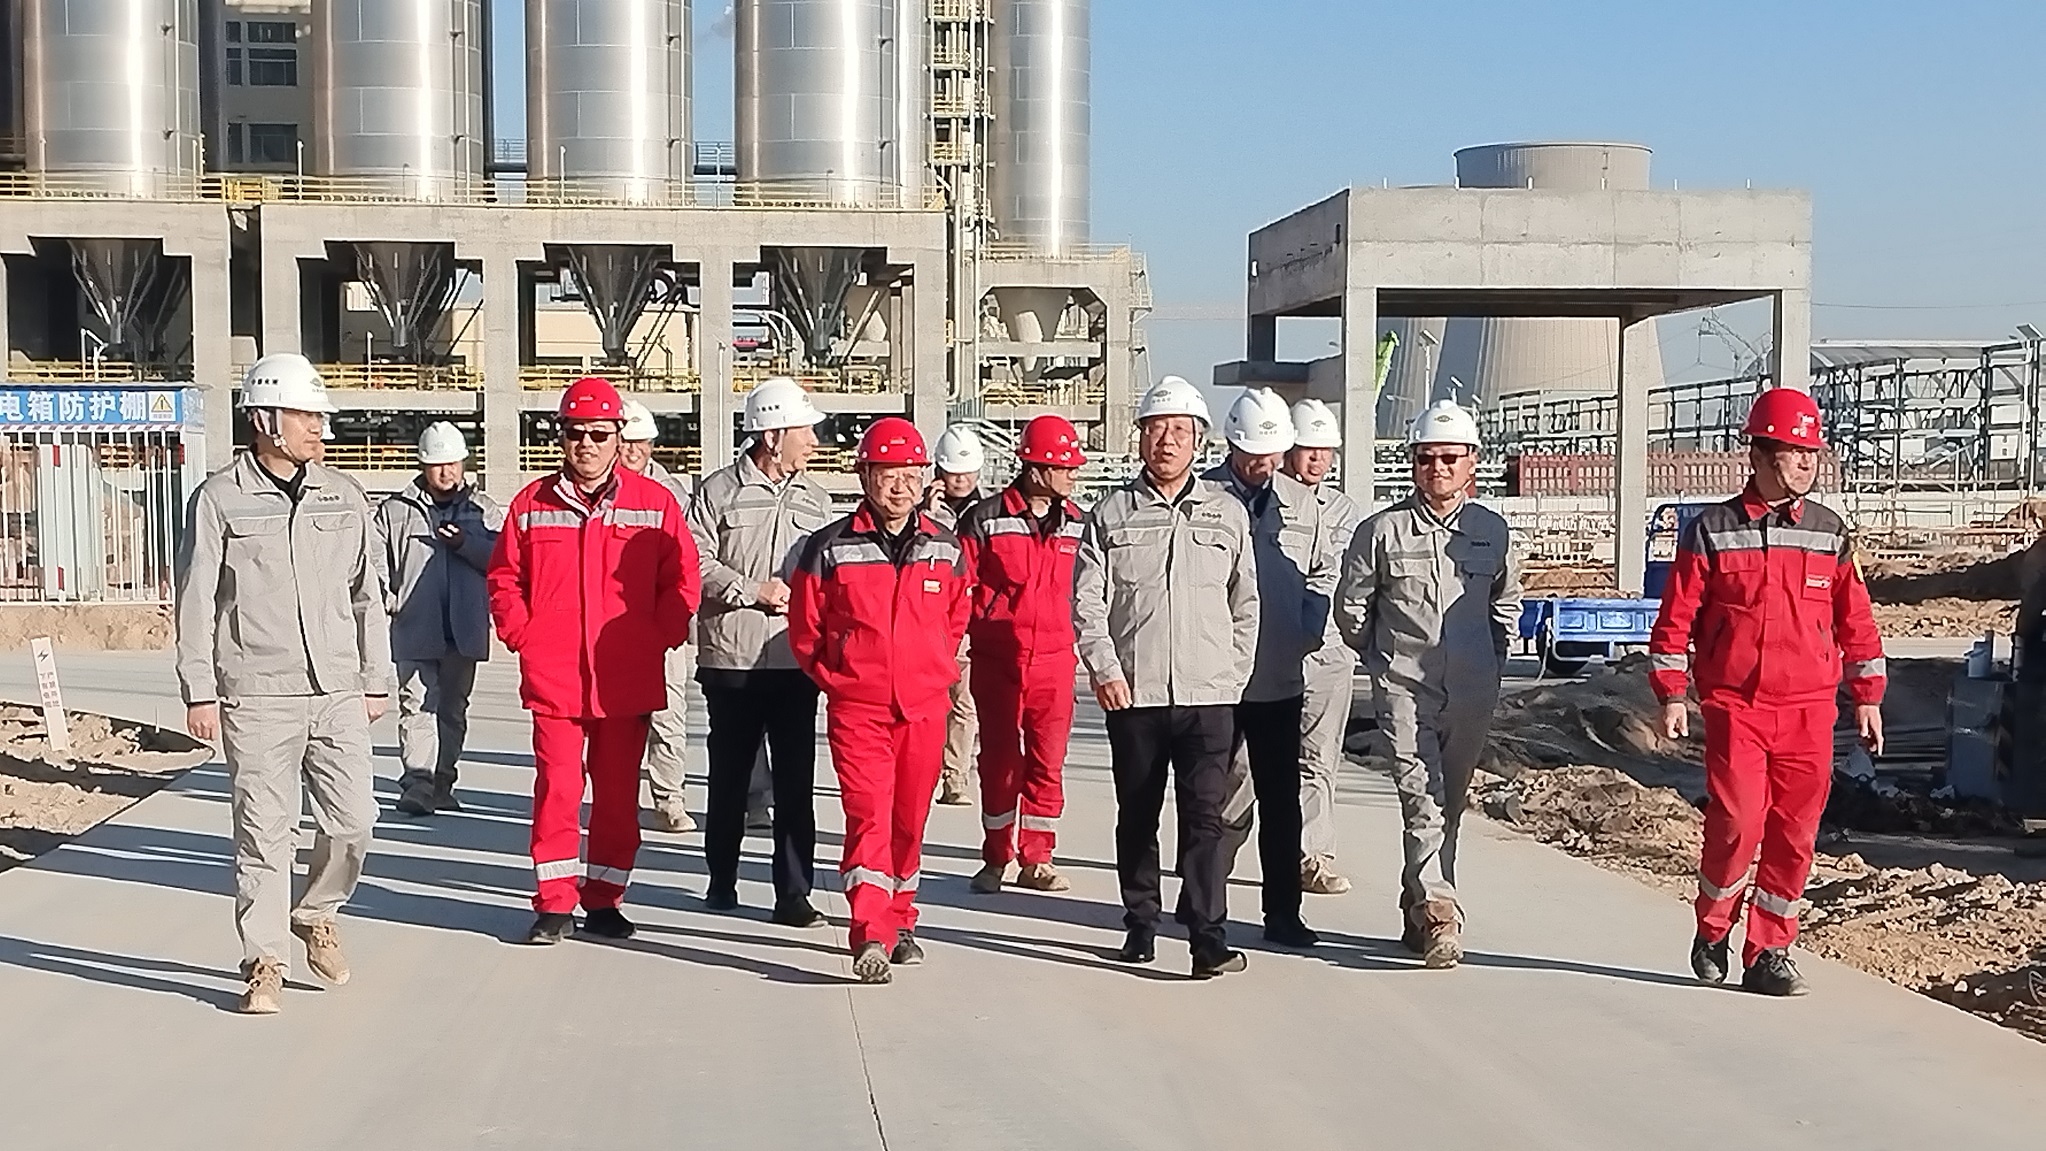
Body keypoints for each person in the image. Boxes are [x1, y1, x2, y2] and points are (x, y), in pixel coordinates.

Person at [1650, 388, 1885, 996]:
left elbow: (1856, 620)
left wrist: (1867, 695)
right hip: (1737, 706)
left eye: (1812, 452)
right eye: (1793, 450)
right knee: (1737, 822)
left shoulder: (1829, 532)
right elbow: (1676, 619)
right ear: (1758, 454)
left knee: (1795, 832)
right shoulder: (1711, 530)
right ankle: (1713, 928)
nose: (1807, 462)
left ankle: (1770, 951)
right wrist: (1672, 691)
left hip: (1810, 709)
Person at [175, 353, 389, 1014]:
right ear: (266, 420)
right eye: (305, 415)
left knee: (355, 820)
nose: (319, 427)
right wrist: (199, 689)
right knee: (264, 834)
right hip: (258, 692)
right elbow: (196, 600)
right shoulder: (220, 499)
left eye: (319, 416)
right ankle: (264, 960)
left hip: (336, 689)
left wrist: (375, 678)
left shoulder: (344, 495)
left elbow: (368, 597)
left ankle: (316, 911)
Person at [487, 376, 700, 945]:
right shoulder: (531, 505)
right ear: (561, 437)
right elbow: (505, 579)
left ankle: (605, 898)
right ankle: (554, 902)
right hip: (555, 678)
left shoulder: (654, 504)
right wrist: (522, 635)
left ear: (618, 437)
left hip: (626, 679)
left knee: (617, 798)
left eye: (599, 434)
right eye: (575, 433)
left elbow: (682, 579)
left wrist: (660, 636)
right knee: (557, 790)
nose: (586, 445)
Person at [1074, 375, 1260, 979]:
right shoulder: (1111, 514)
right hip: (1135, 695)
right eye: (1157, 429)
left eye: (1180, 430)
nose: (1168, 440)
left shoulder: (1226, 513)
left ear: (1199, 440)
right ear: (1140, 438)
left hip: (1209, 697)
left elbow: (1245, 603)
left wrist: (1231, 676)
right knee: (1138, 813)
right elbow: (1087, 603)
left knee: (1206, 818)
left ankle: (1207, 938)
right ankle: (1141, 924)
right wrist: (1105, 669)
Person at [1335, 399, 1522, 969]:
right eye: (1425, 458)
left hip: (1471, 691)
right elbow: (1352, 610)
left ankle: (1417, 905)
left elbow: (1505, 604)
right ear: (1412, 462)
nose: (1436, 468)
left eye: (1448, 458)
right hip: (1404, 687)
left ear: (1472, 462)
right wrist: (1383, 662)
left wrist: (1489, 664)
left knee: (1451, 802)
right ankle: (1442, 911)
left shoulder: (1491, 532)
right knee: (1423, 798)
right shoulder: (1381, 531)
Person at [788, 418, 971, 984]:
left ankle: (901, 920)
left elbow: (956, 617)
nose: (900, 486)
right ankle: (869, 931)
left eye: (910, 474)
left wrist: (934, 668)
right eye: (888, 474)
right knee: (869, 814)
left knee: (909, 820)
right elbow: (806, 628)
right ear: (864, 476)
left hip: (924, 708)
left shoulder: (946, 548)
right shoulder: (829, 547)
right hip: (859, 709)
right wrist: (840, 678)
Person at [688, 377, 835, 925]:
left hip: (794, 662)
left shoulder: (817, 501)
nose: (814, 442)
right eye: (805, 431)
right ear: (772, 435)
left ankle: (793, 894)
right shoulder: (716, 493)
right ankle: (721, 879)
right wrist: (752, 590)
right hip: (731, 659)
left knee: (796, 784)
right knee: (730, 777)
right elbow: (695, 561)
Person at [1203, 388, 1334, 950]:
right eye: (1255, 454)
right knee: (1210, 795)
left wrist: (1307, 628)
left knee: (1281, 802)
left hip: (1278, 675)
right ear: (1232, 445)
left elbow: (1324, 572)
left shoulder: (1302, 504)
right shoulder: (1204, 498)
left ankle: (1283, 912)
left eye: (1274, 454)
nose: (1265, 464)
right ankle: (1203, 902)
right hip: (1215, 677)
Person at [956, 415, 1087, 895]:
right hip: (998, 659)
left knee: (1047, 761)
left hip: (1055, 660)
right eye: (1065, 467)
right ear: (1037, 469)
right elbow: (959, 588)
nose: (1073, 475)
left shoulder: (1078, 524)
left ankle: (1038, 858)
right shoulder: (984, 519)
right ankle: (996, 855)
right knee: (998, 761)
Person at [376, 422, 501, 817]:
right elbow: (375, 561)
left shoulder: (484, 511)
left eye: (453, 463)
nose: (446, 472)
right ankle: (418, 782)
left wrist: (465, 544)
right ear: (423, 465)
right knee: (416, 704)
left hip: (464, 628)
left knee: (452, 708)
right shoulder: (395, 511)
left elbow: (502, 561)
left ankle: (443, 782)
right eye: (437, 464)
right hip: (415, 625)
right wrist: (390, 599)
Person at [1286, 399, 1365, 894]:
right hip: (1270, 653)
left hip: (1330, 654)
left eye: (1325, 450)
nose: (1318, 459)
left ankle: (1312, 856)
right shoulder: (1262, 505)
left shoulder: (1345, 512)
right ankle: (1217, 852)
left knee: (1318, 759)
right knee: (1243, 763)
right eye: (1308, 448)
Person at [618, 399, 700, 834]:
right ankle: (618, 798)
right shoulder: (600, 490)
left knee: (668, 714)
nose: (633, 450)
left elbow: (688, 561)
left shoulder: (674, 495)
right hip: (613, 622)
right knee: (617, 717)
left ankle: (669, 799)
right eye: (626, 442)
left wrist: (675, 617)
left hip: (661, 621)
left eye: (641, 442)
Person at [924, 425, 987, 807]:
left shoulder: (988, 514)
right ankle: (924, 773)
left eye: (967, 472)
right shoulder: (921, 512)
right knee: (930, 703)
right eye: (953, 472)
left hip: (970, 622)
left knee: (964, 704)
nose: (961, 479)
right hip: (930, 620)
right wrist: (930, 513)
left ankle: (955, 777)